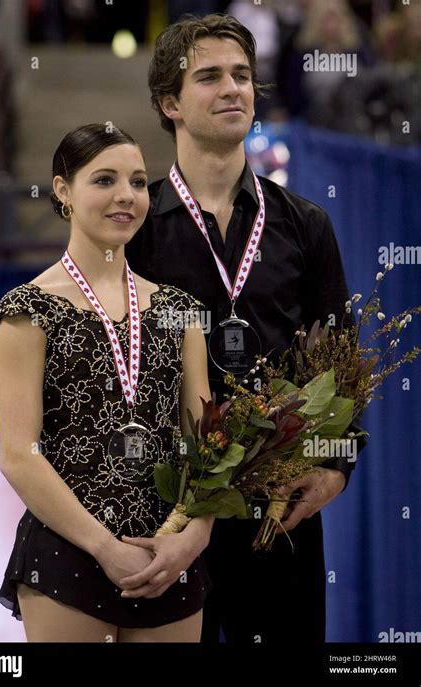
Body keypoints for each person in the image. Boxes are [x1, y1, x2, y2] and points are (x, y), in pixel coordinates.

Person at [124, 13, 366, 645]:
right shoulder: (136, 231)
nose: (232, 88)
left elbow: (341, 367)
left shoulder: (305, 224)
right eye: (209, 76)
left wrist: (336, 467)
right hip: (169, 511)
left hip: (278, 513)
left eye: (241, 75)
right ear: (169, 102)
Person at [0, 123, 214, 642]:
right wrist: (106, 548)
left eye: (138, 182)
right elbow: (19, 455)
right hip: (68, 552)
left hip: (169, 552)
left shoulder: (179, 311)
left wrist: (196, 533)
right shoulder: (28, 311)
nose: (125, 196)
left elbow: (208, 445)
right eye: (104, 180)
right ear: (63, 190)